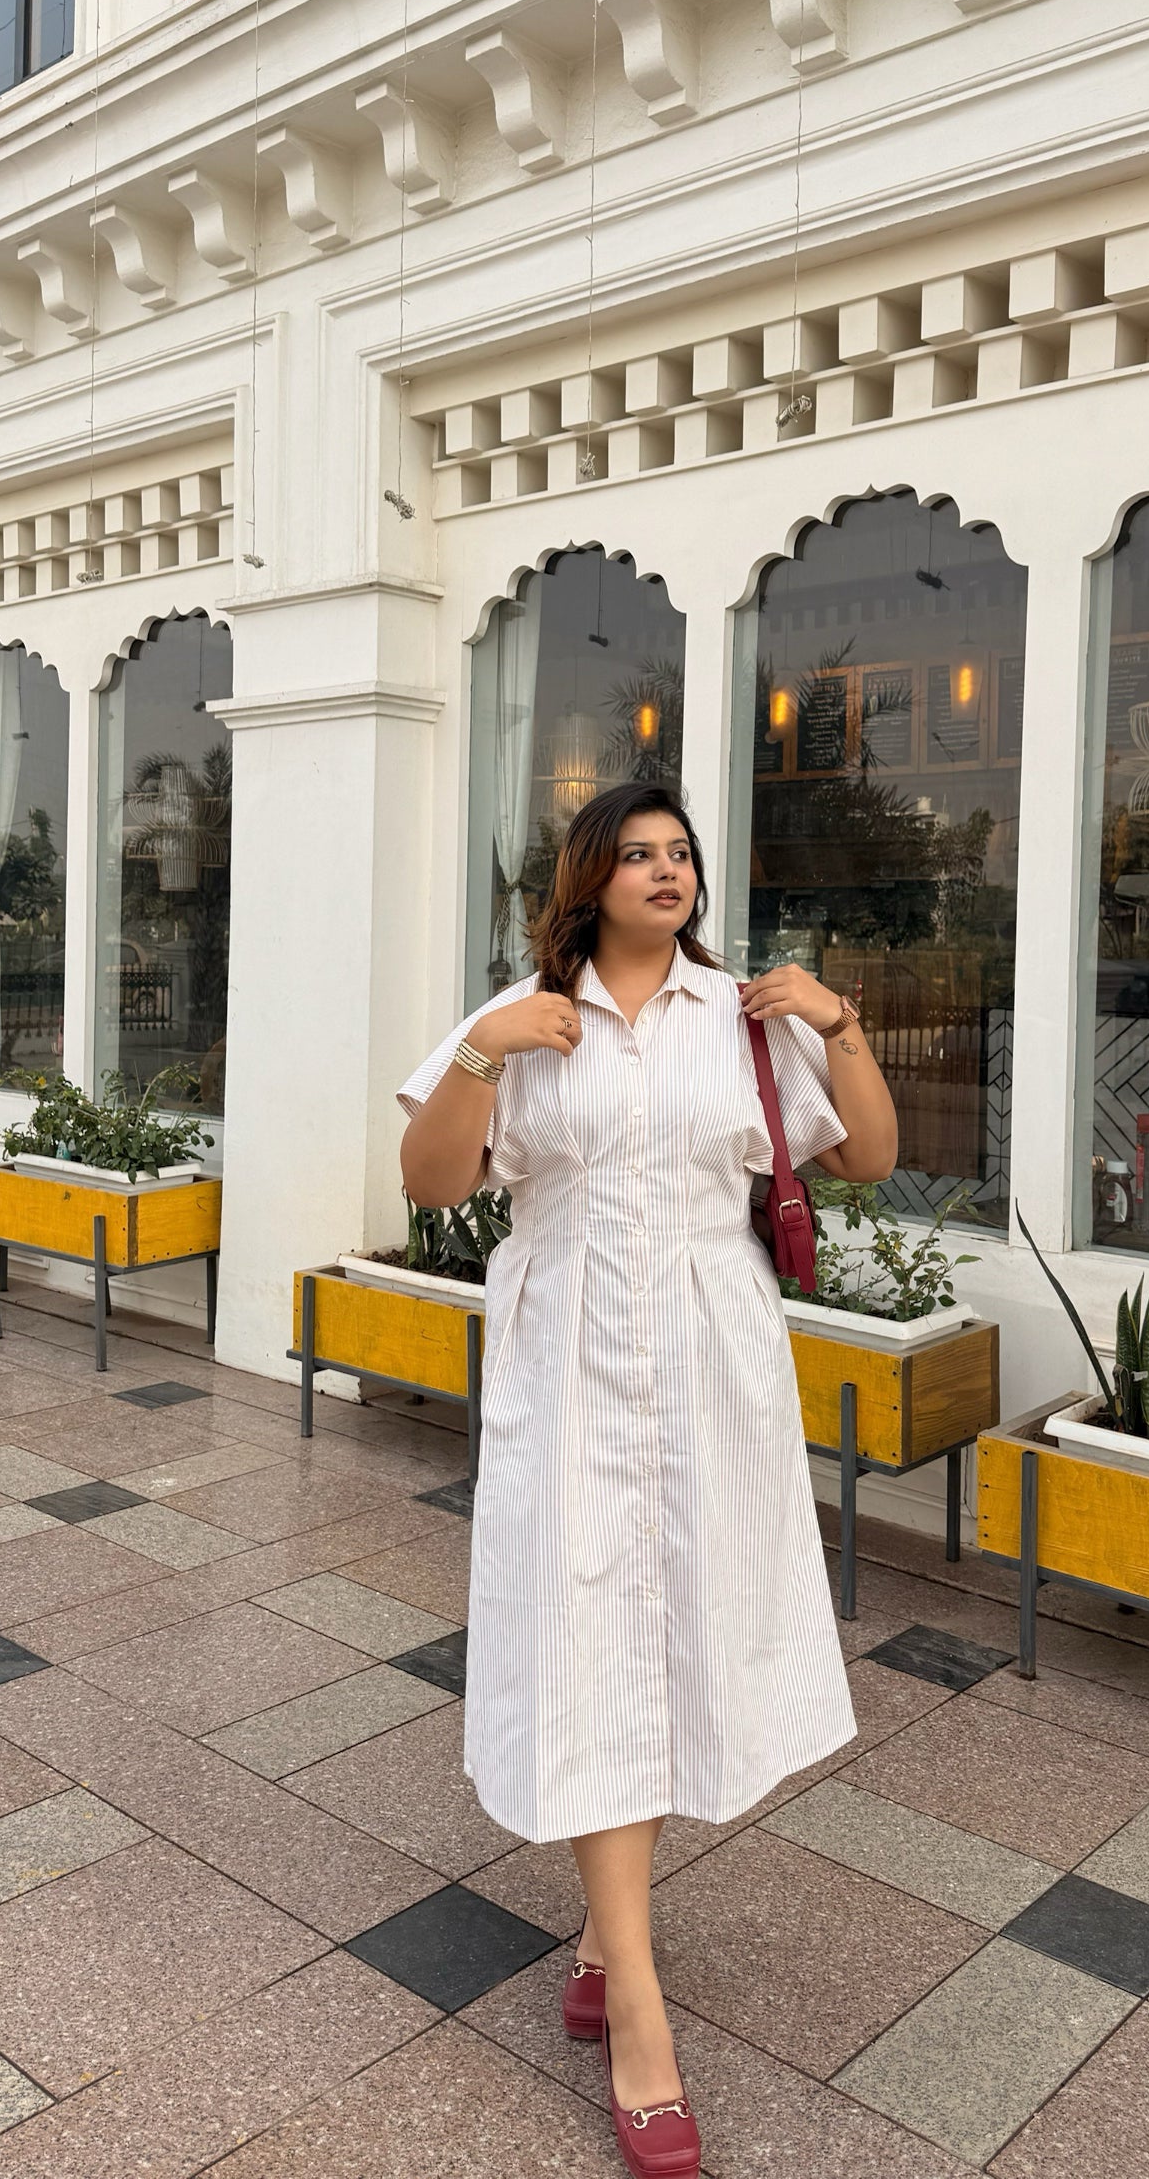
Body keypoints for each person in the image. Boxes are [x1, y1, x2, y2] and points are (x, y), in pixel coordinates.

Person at [399, 782, 899, 2177]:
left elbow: (869, 1154)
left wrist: (839, 1024)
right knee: (589, 1644)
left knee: (673, 1646)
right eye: (638, 853)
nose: (666, 870)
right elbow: (431, 1176)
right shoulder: (523, 1015)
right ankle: (642, 2015)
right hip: (566, 1358)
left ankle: (603, 1947)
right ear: (589, 876)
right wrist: (485, 1057)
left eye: (681, 853)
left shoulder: (740, 1015)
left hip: (711, 1360)